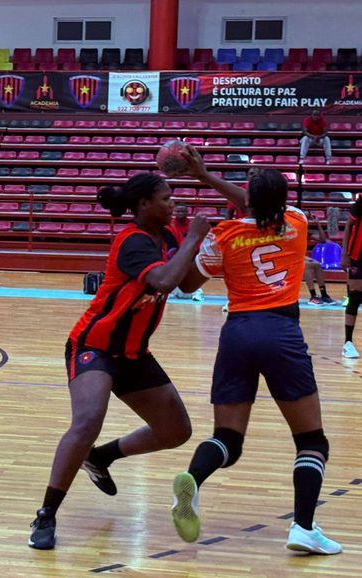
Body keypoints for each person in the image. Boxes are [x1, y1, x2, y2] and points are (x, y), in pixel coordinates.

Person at [169, 148, 342, 555]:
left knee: (227, 438)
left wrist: (204, 182)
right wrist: (208, 177)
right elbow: (257, 203)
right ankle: (302, 527)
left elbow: (190, 285)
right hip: (281, 331)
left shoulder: (224, 235)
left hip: (237, 333)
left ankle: (193, 480)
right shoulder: (295, 222)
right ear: (281, 200)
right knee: (312, 440)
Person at [28, 173, 210, 550]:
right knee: (88, 420)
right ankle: (46, 514)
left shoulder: (171, 235)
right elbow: (162, 281)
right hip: (93, 345)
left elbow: (187, 284)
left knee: (176, 430)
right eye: (165, 198)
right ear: (143, 205)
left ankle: (100, 458)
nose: (172, 203)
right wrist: (193, 237)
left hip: (134, 353)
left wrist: (206, 249)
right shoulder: (132, 241)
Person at [168, 204, 205, 302]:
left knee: (191, 276)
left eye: (182, 211)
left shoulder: (192, 225)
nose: (180, 213)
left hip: (191, 255)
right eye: (178, 211)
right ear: (174, 213)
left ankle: (198, 293)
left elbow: (198, 242)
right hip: (175, 255)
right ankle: (172, 292)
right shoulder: (170, 225)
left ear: (187, 212)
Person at [341, 195, 362, 357]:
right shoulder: (361, 202)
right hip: (358, 256)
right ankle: (347, 342)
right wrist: (345, 254)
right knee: (355, 297)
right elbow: (348, 226)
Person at [304, 215, 334, 305]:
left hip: (299, 256)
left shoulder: (305, 232)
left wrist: (318, 225)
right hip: (288, 257)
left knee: (317, 264)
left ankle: (324, 295)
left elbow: (323, 240)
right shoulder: (290, 231)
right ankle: (313, 296)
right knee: (307, 265)